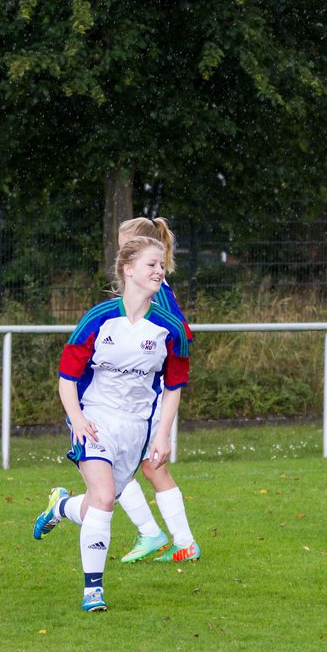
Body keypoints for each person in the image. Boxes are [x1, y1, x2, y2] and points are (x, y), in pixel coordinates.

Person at [32, 236, 191, 612]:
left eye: (161, 265)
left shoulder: (172, 329)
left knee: (96, 506)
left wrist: (162, 434)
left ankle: (60, 508)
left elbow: (174, 387)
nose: (159, 271)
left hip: (136, 429)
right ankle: (93, 590)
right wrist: (79, 420)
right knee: (103, 498)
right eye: (152, 264)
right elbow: (66, 379)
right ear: (128, 269)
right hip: (95, 417)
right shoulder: (98, 318)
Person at [111, 217, 201, 564]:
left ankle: (153, 533)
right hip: (148, 391)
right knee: (150, 467)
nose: (120, 254)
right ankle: (182, 541)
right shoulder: (149, 286)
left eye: (124, 245)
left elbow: (181, 335)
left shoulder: (154, 289)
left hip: (149, 393)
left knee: (113, 465)